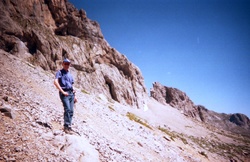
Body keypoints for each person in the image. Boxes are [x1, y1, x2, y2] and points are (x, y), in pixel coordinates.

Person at [54, 58, 77, 134]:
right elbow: (55, 82)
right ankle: (66, 127)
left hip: (71, 94)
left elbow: (72, 85)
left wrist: (75, 96)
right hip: (65, 93)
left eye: (68, 64)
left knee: (71, 111)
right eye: (65, 63)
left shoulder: (70, 74)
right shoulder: (60, 72)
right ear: (62, 64)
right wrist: (62, 91)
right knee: (67, 109)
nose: (67, 65)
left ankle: (69, 126)